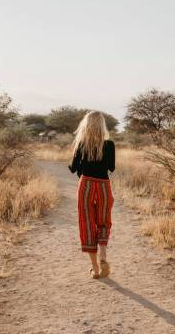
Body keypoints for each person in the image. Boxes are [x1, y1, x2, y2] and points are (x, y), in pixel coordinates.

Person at [68, 111, 115, 279]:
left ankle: (95, 269)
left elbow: (73, 168)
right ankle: (103, 256)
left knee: (87, 224)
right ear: (102, 125)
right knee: (104, 222)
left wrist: (81, 166)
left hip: (86, 185)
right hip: (103, 186)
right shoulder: (109, 144)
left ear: (85, 125)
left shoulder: (81, 143)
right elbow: (111, 168)